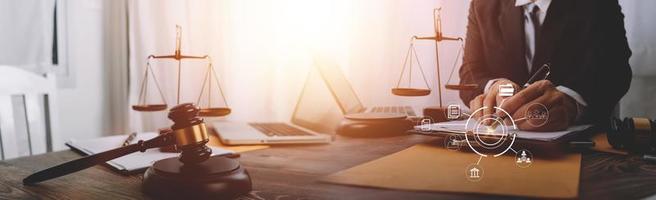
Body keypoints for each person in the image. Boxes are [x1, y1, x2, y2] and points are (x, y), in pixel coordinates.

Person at [459, 0, 632, 131]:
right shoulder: (482, 4)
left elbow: (616, 70)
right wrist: (492, 87)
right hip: (499, 141)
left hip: (581, 148)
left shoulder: (599, 5)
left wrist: (571, 102)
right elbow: (469, 73)